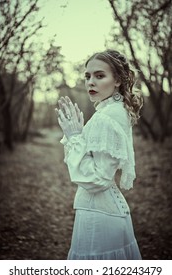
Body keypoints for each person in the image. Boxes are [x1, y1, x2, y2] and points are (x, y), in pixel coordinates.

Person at [55, 49, 143, 260]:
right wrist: (75, 138)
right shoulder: (110, 111)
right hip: (103, 212)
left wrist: (75, 137)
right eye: (87, 76)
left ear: (118, 80)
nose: (90, 82)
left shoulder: (106, 117)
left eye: (99, 75)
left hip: (100, 218)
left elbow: (98, 179)